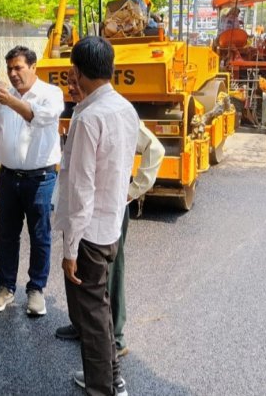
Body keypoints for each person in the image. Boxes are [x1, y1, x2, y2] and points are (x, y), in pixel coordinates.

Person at [55, 67, 165, 360]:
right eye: (69, 81)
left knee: (108, 272)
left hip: (106, 209)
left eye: (76, 79)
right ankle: (82, 325)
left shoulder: (110, 111)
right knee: (74, 267)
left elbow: (155, 149)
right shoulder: (80, 112)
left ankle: (114, 337)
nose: (72, 86)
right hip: (79, 208)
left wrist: (134, 190)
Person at [55, 36, 139, 396]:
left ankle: (102, 388)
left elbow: (81, 189)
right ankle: (108, 377)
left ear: (76, 71)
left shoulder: (89, 117)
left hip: (88, 233)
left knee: (90, 317)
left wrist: (70, 248)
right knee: (99, 309)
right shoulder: (125, 109)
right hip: (110, 226)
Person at [0, 46, 64, 316]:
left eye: (18, 67)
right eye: (10, 69)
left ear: (33, 67)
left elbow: (36, 117)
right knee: (7, 234)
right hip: (8, 177)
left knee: (40, 236)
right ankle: (5, 288)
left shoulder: (51, 94)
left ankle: (36, 290)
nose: (13, 74)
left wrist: (9, 100)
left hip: (41, 179)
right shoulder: (5, 101)